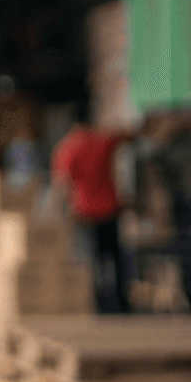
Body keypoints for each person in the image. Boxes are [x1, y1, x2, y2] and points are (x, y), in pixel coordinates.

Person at [51, 103, 133, 313]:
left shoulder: (68, 147)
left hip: (85, 211)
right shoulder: (102, 140)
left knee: (93, 261)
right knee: (115, 258)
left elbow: (62, 183)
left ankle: (100, 304)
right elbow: (125, 137)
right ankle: (122, 302)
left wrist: (60, 212)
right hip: (109, 208)